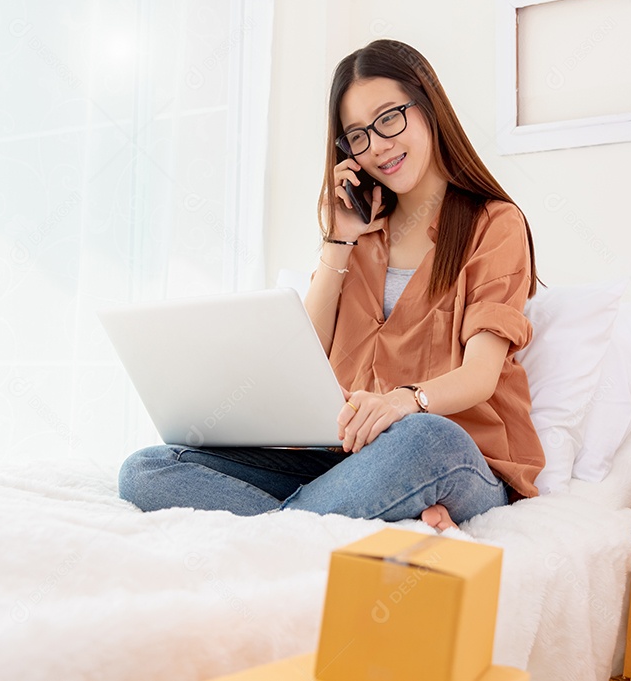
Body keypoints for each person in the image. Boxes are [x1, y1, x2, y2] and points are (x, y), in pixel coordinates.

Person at [119, 39, 543, 531]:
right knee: (148, 469)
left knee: (425, 437)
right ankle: (312, 522)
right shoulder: (358, 234)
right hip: (344, 458)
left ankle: (291, 525)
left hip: (455, 458)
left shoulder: (496, 224)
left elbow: (481, 375)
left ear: (429, 107)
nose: (377, 146)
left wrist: (401, 401)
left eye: (389, 119)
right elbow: (309, 354)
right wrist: (338, 240)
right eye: (357, 135)